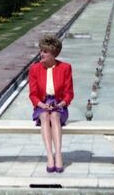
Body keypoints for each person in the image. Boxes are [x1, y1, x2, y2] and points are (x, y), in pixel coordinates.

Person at [29, 34, 74, 173]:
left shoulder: (65, 68)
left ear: (53, 53)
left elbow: (69, 94)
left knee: (54, 115)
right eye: (41, 50)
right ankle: (49, 155)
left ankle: (58, 154)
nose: (41, 54)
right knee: (44, 116)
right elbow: (33, 94)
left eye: (45, 51)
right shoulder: (34, 69)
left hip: (59, 105)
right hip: (41, 104)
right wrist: (42, 105)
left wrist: (60, 104)